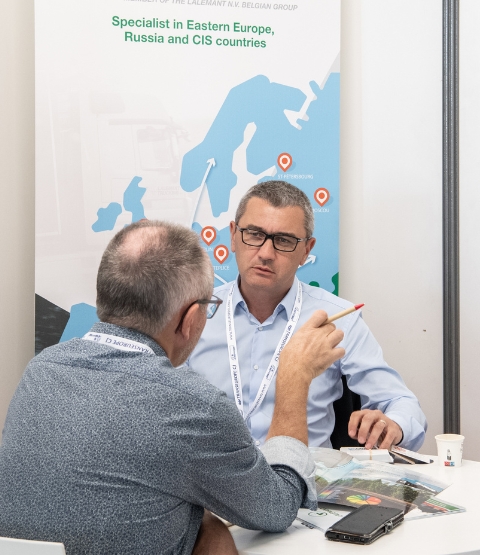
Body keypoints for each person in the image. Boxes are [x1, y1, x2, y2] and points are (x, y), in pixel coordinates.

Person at [0, 220, 345, 554]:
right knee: (210, 529)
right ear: (191, 318)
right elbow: (278, 508)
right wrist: (294, 378)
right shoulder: (194, 405)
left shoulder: (41, 369)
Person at [188, 180, 427, 452]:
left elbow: (401, 402)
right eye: (254, 234)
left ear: (306, 250)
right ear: (233, 236)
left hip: (306, 485)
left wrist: (391, 424)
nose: (266, 253)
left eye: (284, 241)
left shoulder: (338, 318)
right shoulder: (194, 313)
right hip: (211, 485)